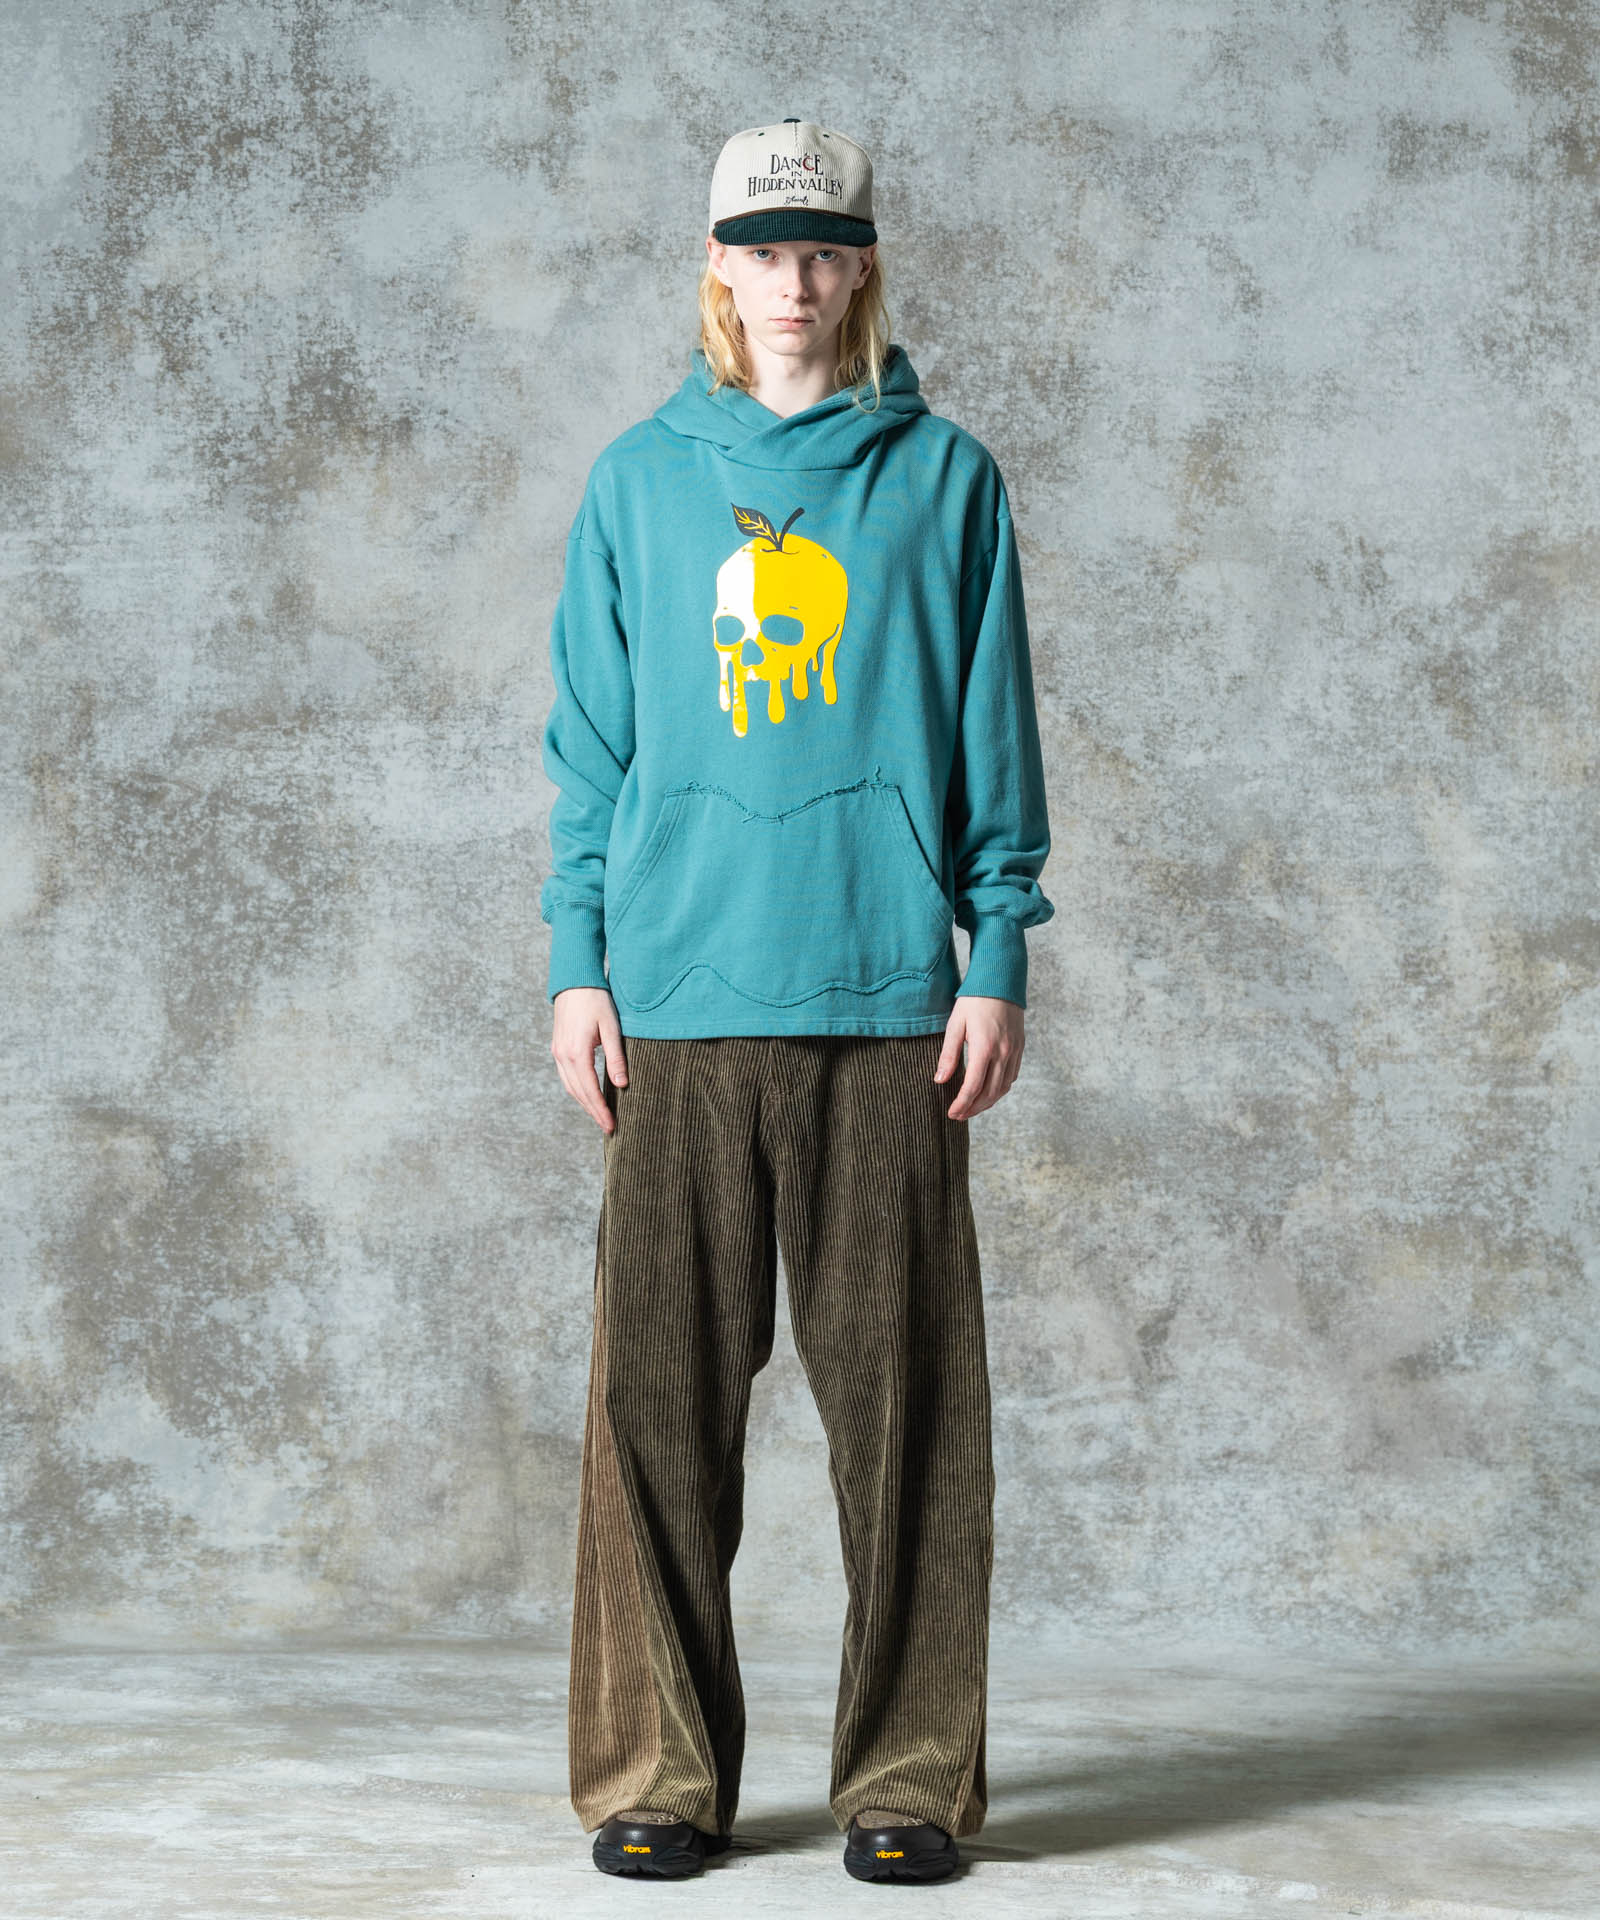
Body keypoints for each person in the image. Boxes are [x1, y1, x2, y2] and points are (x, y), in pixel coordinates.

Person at [539, 117, 1054, 1886]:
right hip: (677, 1000)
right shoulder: (637, 483)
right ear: (719, 265)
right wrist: (577, 959)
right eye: (764, 251)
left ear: (863, 267)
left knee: (910, 1424)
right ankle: (658, 1773)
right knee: (654, 1419)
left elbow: (993, 734)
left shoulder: (948, 481)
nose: (795, 283)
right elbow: (591, 750)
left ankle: (907, 1777)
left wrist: (995, 951)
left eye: (824, 250)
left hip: (888, 1000)